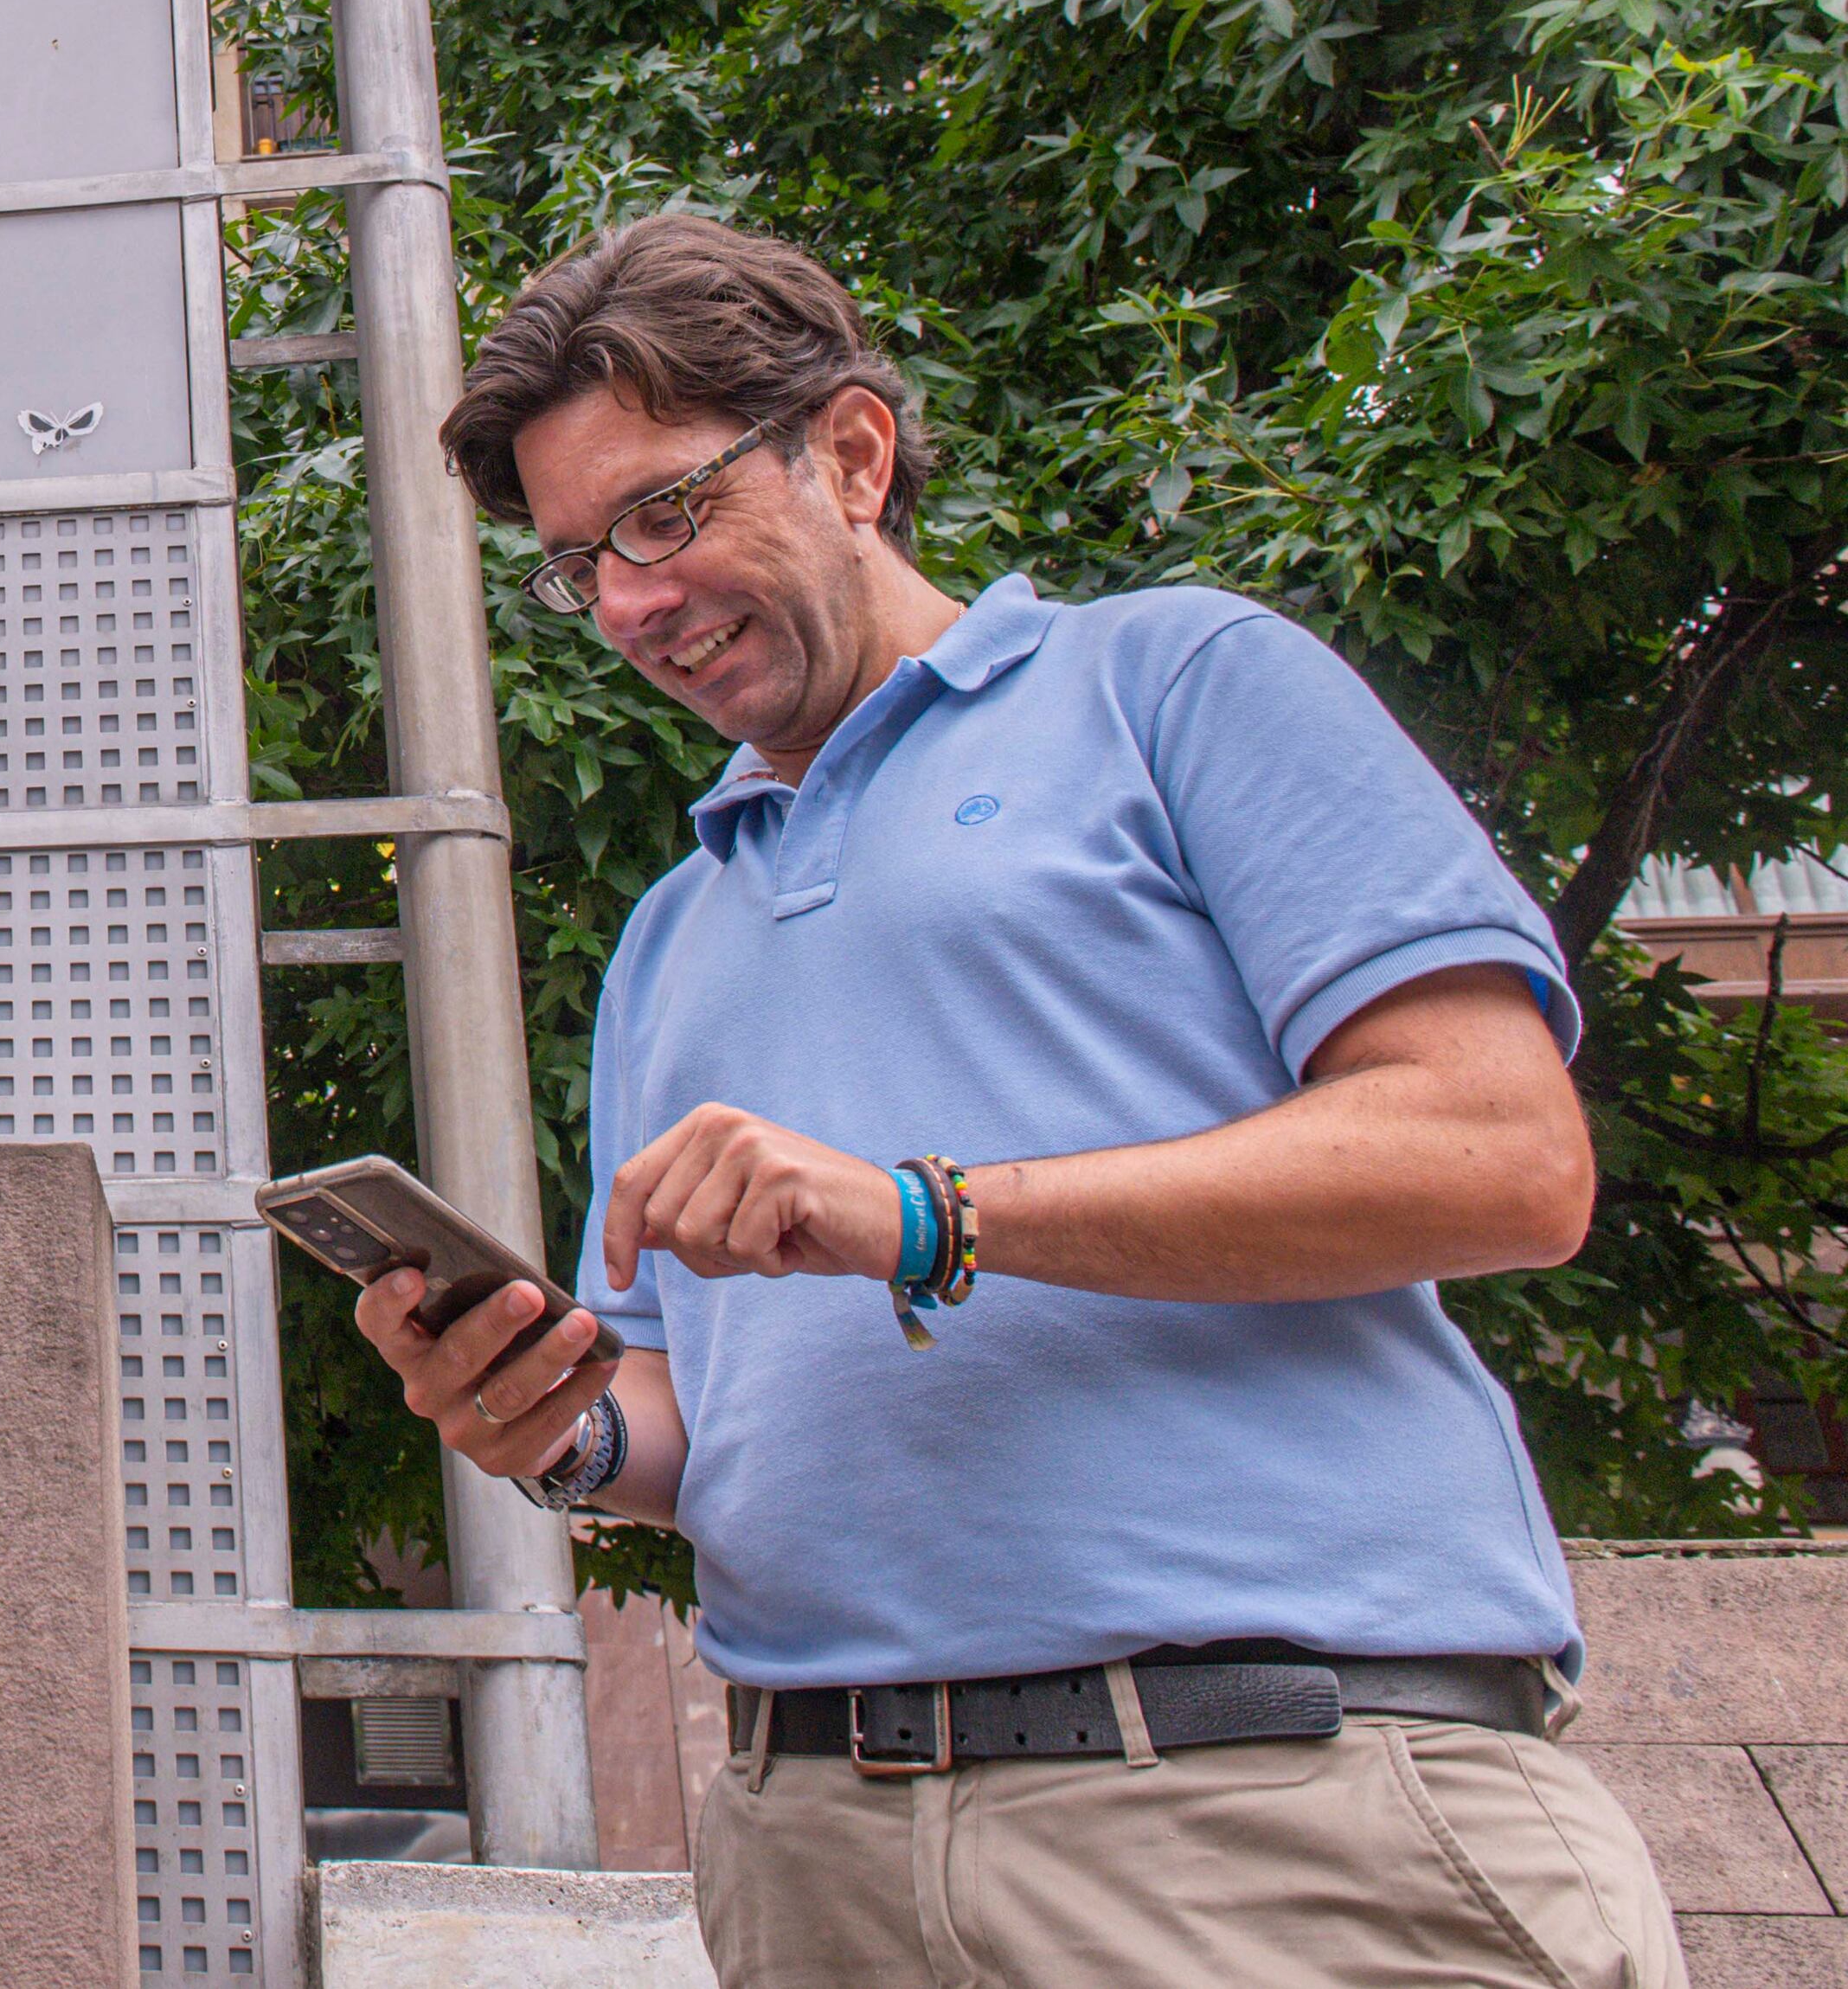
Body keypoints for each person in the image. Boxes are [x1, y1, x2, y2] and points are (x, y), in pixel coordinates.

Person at [369, 212, 1684, 1988]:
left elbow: (1504, 1155)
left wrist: (927, 1210)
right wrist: (555, 1423)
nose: (624, 602)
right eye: (577, 560)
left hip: (1266, 1817)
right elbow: (693, 1420)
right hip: (809, 1843)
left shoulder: (1174, 681)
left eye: (665, 513)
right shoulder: (671, 933)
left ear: (850, 450)